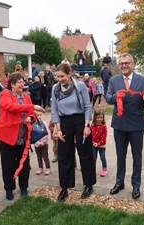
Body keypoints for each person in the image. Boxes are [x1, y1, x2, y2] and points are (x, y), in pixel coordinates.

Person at [106, 53, 144, 200]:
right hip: (119, 124)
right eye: (121, 63)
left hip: (136, 125)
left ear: (133, 64)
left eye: (127, 63)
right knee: (121, 157)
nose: (124, 66)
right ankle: (119, 182)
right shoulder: (113, 80)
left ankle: (136, 185)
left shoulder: (143, 80)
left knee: (137, 157)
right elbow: (108, 98)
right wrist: (118, 96)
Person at [0, 72, 45, 200]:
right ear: (12, 84)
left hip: (23, 137)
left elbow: (32, 114)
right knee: (8, 164)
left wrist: (30, 117)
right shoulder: (5, 94)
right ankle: (9, 188)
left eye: (23, 82)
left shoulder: (26, 97)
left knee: (24, 164)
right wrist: (32, 106)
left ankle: (23, 187)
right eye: (20, 82)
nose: (23, 84)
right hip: (7, 137)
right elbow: (10, 106)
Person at [51, 63, 96, 201]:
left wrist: (87, 125)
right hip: (64, 123)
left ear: (69, 74)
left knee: (85, 154)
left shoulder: (80, 86)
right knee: (64, 156)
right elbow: (54, 110)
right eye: (57, 76)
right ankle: (64, 187)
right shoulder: (55, 88)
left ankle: (88, 184)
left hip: (80, 120)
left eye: (62, 76)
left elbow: (88, 107)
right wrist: (57, 130)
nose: (60, 79)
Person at [91, 109, 108, 177]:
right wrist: (93, 142)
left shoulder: (103, 126)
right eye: (98, 117)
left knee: (102, 157)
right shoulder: (92, 126)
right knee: (93, 157)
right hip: (93, 145)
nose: (99, 119)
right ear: (95, 117)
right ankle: (93, 169)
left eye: (101, 117)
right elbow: (91, 135)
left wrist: (99, 143)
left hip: (101, 145)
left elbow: (104, 136)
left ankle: (104, 169)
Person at [33, 111, 50, 176]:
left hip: (44, 144)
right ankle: (40, 167)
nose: (39, 117)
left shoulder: (44, 123)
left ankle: (48, 168)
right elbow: (33, 134)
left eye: (40, 115)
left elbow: (46, 133)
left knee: (45, 156)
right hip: (36, 144)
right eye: (37, 115)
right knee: (39, 156)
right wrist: (37, 142)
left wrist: (42, 142)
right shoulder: (33, 124)